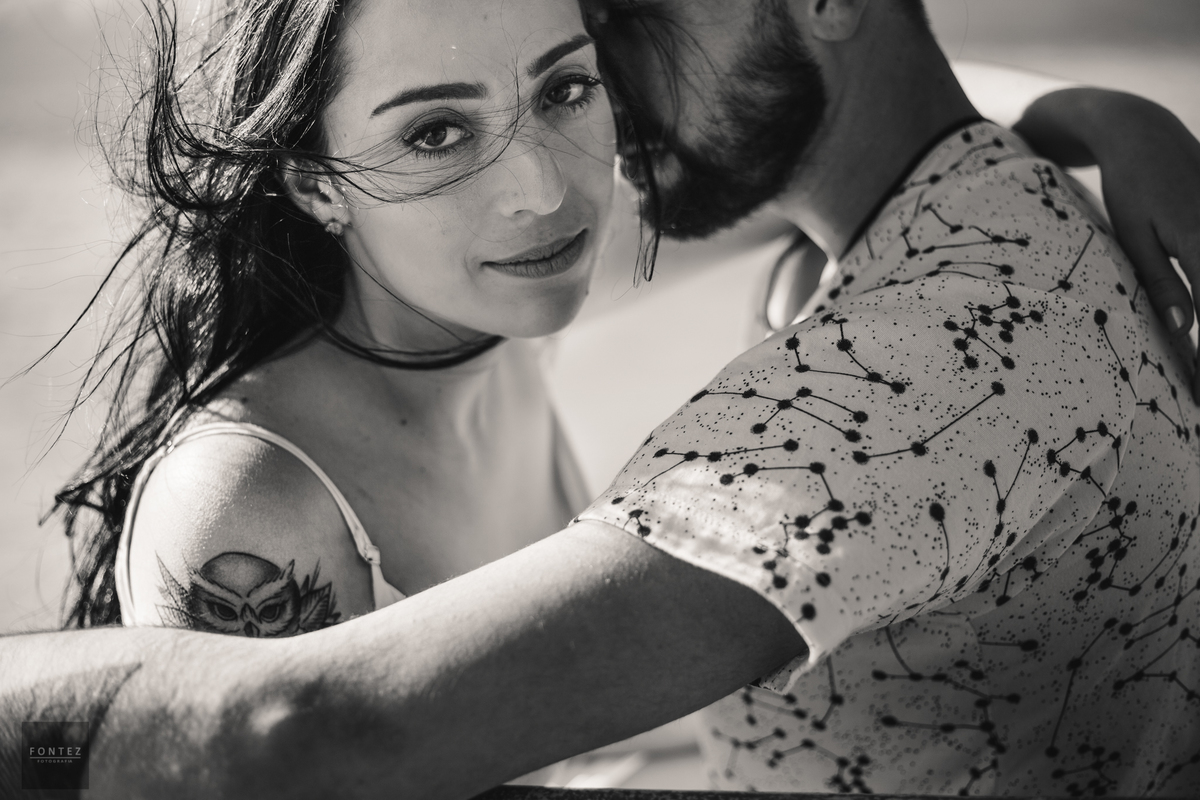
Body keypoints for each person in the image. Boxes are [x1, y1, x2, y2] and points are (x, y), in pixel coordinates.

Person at [4, 0, 1200, 797]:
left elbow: (807, 104)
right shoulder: (254, 502)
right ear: (313, 182)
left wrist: (1106, 113)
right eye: (436, 133)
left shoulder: (508, 288)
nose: (544, 184)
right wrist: (1098, 115)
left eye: (571, 84)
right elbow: (271, 737)